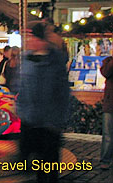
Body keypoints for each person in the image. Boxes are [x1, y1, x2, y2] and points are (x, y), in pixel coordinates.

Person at [17, 21, 70, 183]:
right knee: (36, 169)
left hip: (49, 125)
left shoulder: (55, 60)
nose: (27, 41)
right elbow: (22, 88)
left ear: (40, 39)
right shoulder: (26, 59)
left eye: (30, 37)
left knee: (50, 168)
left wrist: (58, 121)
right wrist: (22, 112)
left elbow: (62, 92)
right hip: (31, 123)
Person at [100, 53, 113, 170]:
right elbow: (106, 72)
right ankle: (105, 160)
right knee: (108, 135)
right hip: (110, 104)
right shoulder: (108, 61)